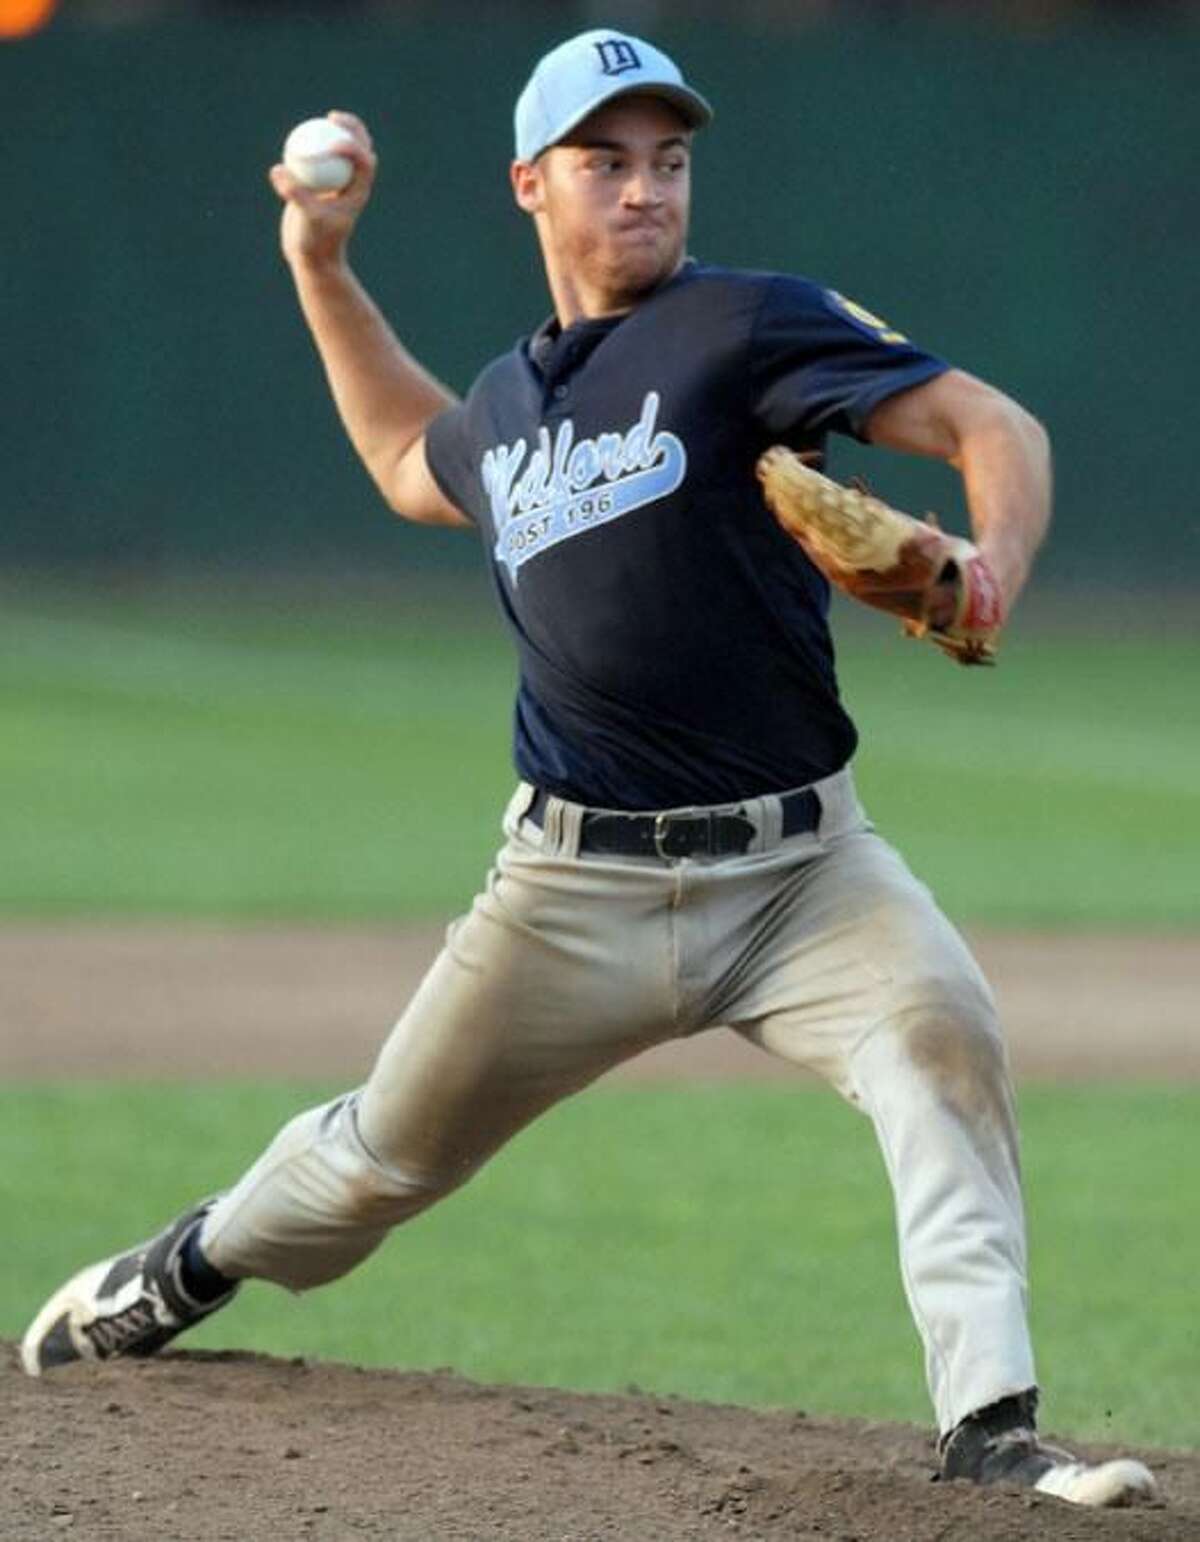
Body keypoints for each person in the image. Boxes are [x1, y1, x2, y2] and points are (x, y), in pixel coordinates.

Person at [22, 28, 1155, 1509]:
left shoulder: (747, 329)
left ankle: (992, 1426)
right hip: (567, 893)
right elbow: (398, 457)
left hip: (804, 877)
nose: (643, 191)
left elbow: (989, 423)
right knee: (376, 1160)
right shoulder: (506, 405)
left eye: (666, 161)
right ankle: (188, 1261)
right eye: (605, 163)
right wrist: (318, 261)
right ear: (530, 186)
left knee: (942, 1029)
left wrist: (994, 561)